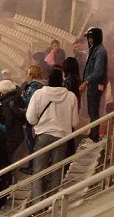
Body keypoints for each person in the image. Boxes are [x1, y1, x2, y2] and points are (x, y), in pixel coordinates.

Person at [26, 68, 79, 203]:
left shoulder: (39, 94)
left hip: (43, 136)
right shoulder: (71, 96)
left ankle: (36, 207)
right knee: (57, 172)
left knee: (38, 171)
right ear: (62, 80)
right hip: (62, 138)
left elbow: (30, 118)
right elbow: (75, 122)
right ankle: (51, 203)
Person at [80, 27, 108, 142]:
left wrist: (86, 82)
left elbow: (98, 71)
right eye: (89, 38)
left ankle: (94, 135)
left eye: (91, 37)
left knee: (94, 110)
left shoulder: (100, 51)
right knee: (92, 110)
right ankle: (93, 133)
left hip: (95, 85)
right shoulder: (95, 49)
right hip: (92, 84)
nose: (90, 40)